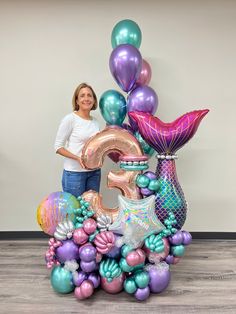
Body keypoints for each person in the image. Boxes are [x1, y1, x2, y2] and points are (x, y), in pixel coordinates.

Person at [54, 83, 101, 198]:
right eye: (82, 96)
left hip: (94, 172)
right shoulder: (70, 119)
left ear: (94, 100)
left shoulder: (95, 122)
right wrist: (77, 158)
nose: (86, 98)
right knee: (75, 213)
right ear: (77, 101)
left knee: (91, 212)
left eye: (89, 95)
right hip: (74, 174)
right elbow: (58, 147)